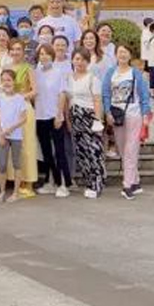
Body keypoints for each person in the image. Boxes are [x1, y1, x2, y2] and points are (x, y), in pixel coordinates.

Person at [103, 44, 152, 199]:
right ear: (116, 55)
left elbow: (144, 95)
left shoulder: (136, 73)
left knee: (131, 149)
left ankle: (127, 185)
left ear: (130, 56)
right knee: (123, 149)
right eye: (120, 52)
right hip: (117, 116)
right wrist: (107, 112)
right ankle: (135, 181)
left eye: (125, 52)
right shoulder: (111, 72)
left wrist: (145, 115)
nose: (122, 55)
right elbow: (106, 94)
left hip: (134, 114)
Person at [33, 44, 72, 197]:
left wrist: (59, 115)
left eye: (47, 54)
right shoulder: (36, 72)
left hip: (54, 116)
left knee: (59, 151)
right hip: (40, 116)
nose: (44, 57)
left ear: (52, 55)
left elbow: (62, 94)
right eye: (41, 54)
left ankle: (63, 183)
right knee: (46, 152)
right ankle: (51, 182)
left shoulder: (59, 72)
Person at [67, 48, 105, 199]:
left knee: (93, 151)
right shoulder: (69, 78)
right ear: (72, 60)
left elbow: (97, 100)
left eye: (83, 59)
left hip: (88, 116)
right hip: (74, 116)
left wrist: (97, 119)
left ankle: (97, 183)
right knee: (81, 152)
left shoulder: (92, 78)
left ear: (88, 62)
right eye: (77, 59)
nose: (79, 62)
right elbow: (67, 99)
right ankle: (88, 181)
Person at [0, 70, 29, 203]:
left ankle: (15, 192)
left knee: (16, 163)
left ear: (14, 81)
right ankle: (2, 191)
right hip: (3, 136)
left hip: (16, 136)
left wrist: (11, 128)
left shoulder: (19, 98)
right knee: (2, 165)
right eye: (4, 80)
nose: (6, 83)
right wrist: (0, 133)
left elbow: (23, 118)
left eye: (9, 80)